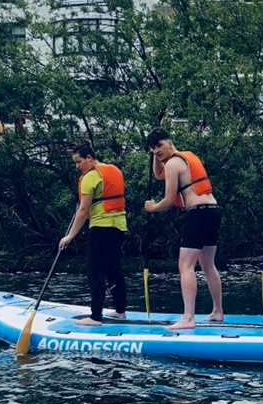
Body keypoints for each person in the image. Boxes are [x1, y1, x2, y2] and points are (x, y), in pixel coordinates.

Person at [144, 128, 223, 330]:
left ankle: (188, 318)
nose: (157, 151)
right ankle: (217, 312)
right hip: (213, 210)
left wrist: (153, 208)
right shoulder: (184, 158)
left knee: (185, 266)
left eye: (159, 146)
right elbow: (158, 174)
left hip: (198, 213)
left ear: (170, 143)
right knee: (208, 265)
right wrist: (156, 155)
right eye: (153, 149)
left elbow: (169, 201)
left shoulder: (173, 163)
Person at [59, 143, 128, 326]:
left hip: (101, 227)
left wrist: (70, 236)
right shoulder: (113, 169)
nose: (77, 166)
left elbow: (83, 211)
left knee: (94, 271)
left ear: (89, 158)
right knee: (113, 269)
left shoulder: (90, 176)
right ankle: (121, 312)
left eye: (79, 161)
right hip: (119, 227)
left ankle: (95, 317)